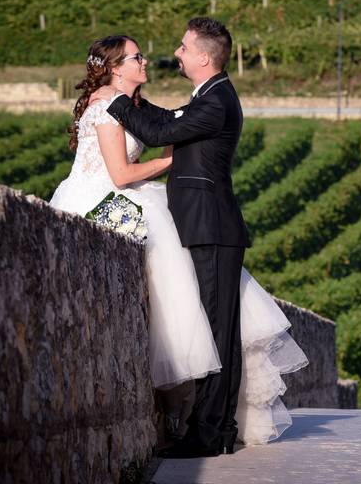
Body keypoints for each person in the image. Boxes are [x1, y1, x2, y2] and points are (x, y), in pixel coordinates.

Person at [48, 31, 306, 458]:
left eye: (183, 48)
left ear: (203, 58)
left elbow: (163, 128)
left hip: (211, 224)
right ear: (115, 68)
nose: (165, 56)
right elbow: (147, 141)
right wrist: (121, 103)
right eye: (137, 57)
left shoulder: (215, 101)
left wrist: (122, 104)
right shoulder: (195, 97)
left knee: (219, 329)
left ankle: (210, 431)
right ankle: (211, 427)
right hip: (171, 211)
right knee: (215, 323)